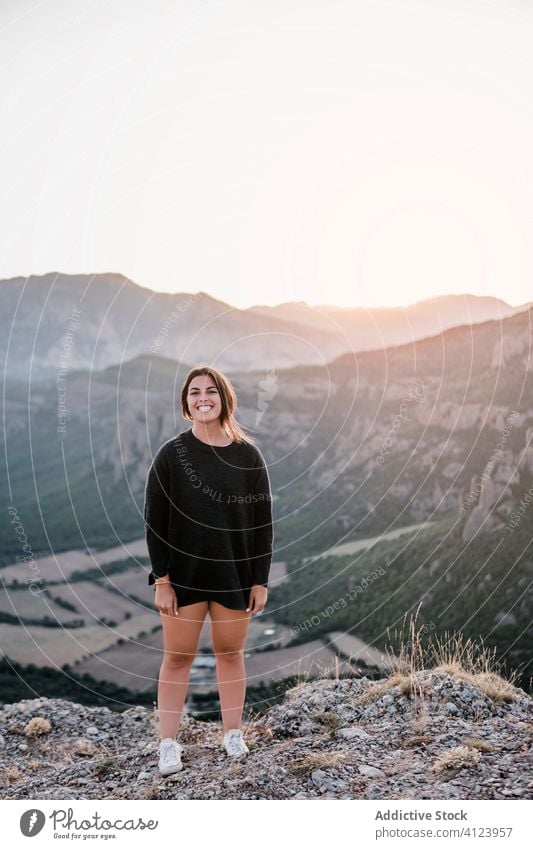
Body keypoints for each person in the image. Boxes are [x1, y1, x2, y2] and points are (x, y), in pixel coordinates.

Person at [143, 365, 274, 775]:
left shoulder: (247, 456)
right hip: (183, 577)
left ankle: (232, 734)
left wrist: (259, 579)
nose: (203, 397)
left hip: (234, 575)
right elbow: (154, 521)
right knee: (177, 659)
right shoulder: (171, 455)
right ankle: (168, 744)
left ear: (224, 399)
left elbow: (262, 523)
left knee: (229, 654)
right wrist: (162, 581)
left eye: (211, 391)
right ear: (186, 403)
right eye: (195, 391)